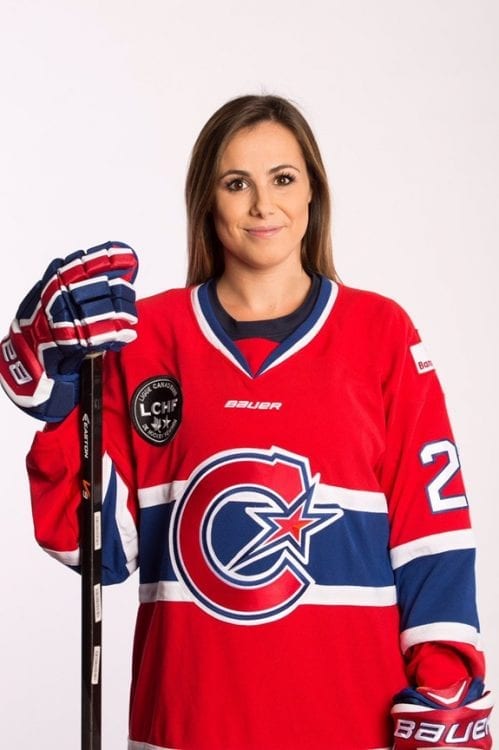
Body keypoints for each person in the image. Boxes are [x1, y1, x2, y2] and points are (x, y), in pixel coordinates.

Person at [0, 94, 493, 749]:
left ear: (313, 191)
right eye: (237, 184)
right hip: (186, 726)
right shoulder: (146, 340)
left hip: (349, 725)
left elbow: (431, 533)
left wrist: (445, 683)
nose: (263, 205)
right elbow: (96, 549)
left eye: (282, 178)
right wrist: (60, 399)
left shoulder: (379, 333)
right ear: (207, 200)